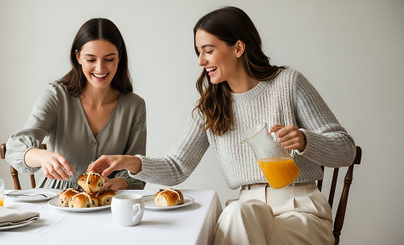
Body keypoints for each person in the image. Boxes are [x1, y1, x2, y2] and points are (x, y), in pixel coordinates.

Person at [88, 6, 356, 244]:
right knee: (236, 214)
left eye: (208, 50)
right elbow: (177, 166)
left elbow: (346, 150)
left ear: (238, 48)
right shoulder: (211, 107)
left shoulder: (288, 84)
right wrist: (128, 162)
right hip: (248, 207)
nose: (200, 61)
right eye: (198, 52)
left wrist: (305, 140)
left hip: (300, 209)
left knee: (243, 229)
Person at [5, 18, 146, 191]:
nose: (100, 68)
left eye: (109, 59)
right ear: (78, 57)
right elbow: (15, 147)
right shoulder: (56, 95)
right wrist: (41, 156)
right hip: (54, 199)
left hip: (107, 203)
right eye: (91, 59)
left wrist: (118, 183)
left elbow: (137, 172)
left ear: (120, 57)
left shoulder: (135, 106)